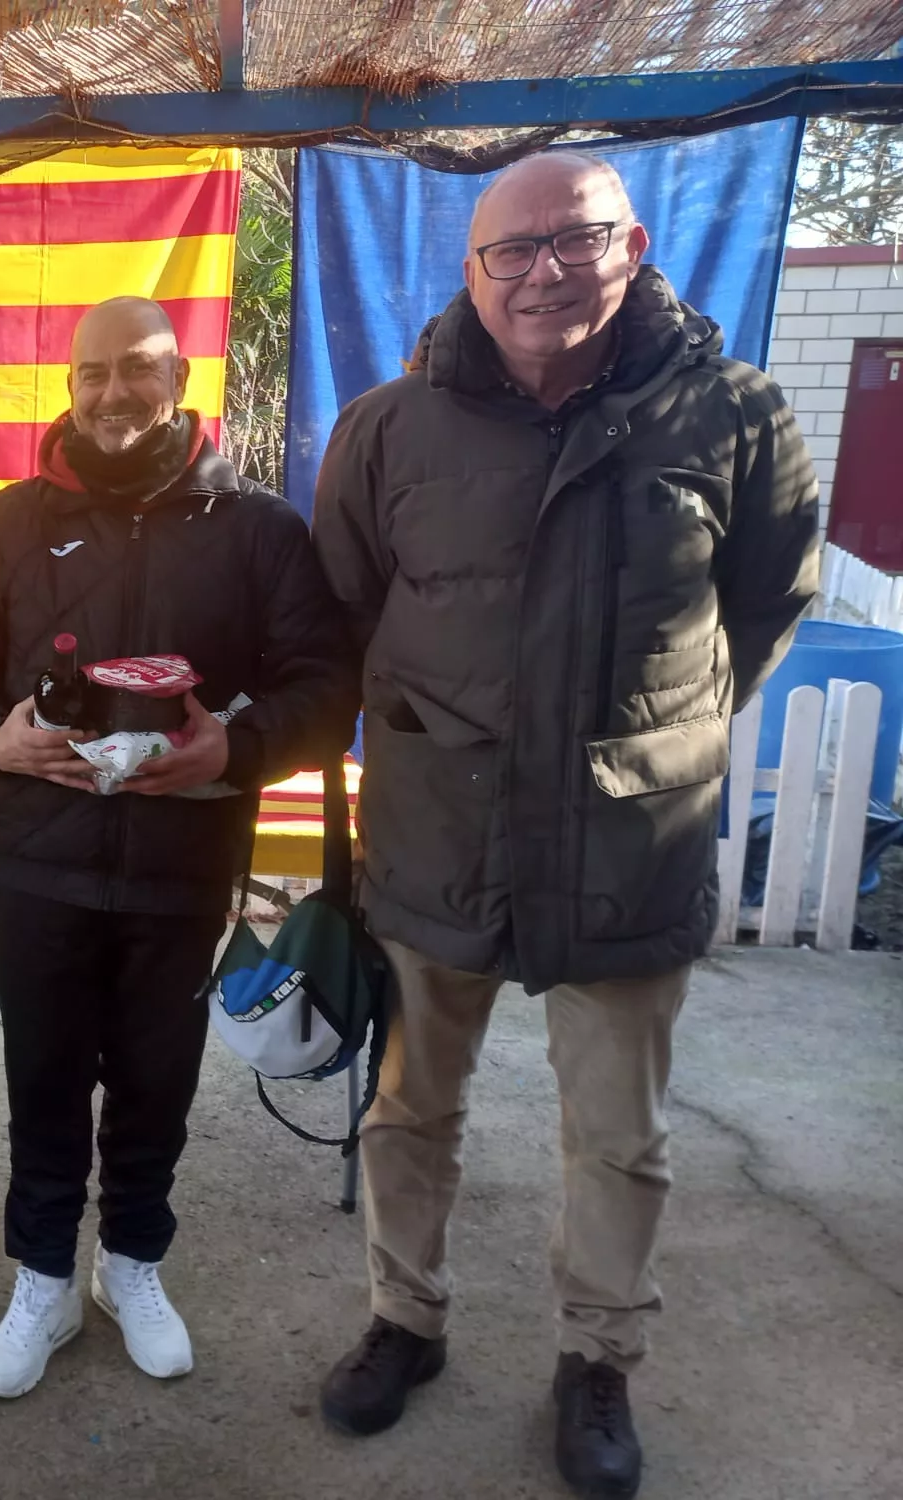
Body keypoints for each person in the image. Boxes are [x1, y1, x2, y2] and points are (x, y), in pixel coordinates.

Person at [309, 152, 819, 1499]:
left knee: (618, 1135)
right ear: (470, 271)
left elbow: (766, 601)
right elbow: (345, 608)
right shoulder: (388, 427)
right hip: (440, 839)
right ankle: (404, 1319)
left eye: (574, 240)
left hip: (626, 850)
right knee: (408, 1108)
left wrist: (661, 736)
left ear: (631, 245)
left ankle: (597, 1359)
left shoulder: (733, 412)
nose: (543, 272)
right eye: (510, 250)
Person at [0, 296, 359, 1398]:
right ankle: (44, 1280)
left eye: (137, 369)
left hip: (181, 869)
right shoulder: (9, 522)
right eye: (93, 373)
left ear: (179, 381)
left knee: (154, 1085)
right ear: (70, 386)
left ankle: (131, 1266)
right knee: (41, 1085)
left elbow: (324, 687)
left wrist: (235, 747)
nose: (113, 392)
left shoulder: (257, 529)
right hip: (41, 863)